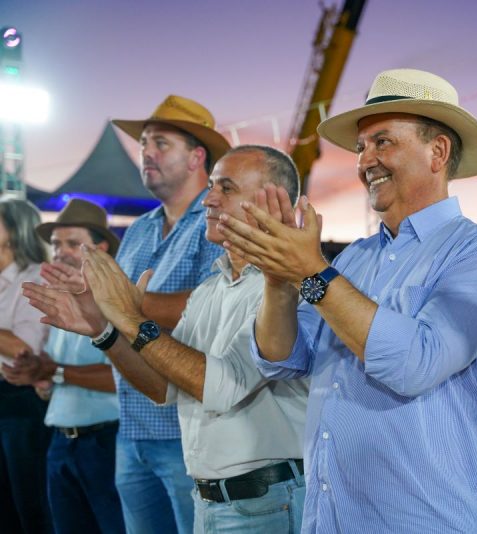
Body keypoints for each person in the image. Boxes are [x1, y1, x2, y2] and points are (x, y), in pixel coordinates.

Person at [218, 69, 477, 533]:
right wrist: (279, 284)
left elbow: (415, 363)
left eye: (383, 142)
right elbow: (281, 360)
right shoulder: (355, 260)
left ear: (437, 151)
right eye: (361, 147)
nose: (366, 161)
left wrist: (312, 273)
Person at [25, 146, 309, 533]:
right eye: (211, 187)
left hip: (267, 502)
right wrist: (105, 331)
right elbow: (163, 387)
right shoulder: (211, 289)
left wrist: (129, 316)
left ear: (273, 201)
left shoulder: (291, 289)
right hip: (213, 500)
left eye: (226, 188)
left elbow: (223, 386)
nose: (209, 199)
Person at [102, 95, 230, 533]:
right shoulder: (138, 229)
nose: (146, 153)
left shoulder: (217, 222)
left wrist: (118, 304)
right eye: (143, 145)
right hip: (133, 426)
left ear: (198, 157)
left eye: (160, 143)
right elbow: (116, 312)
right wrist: (105, 309)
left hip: (187, 433)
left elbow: (213, 303)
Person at [4, 199, 125, 533]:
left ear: (100, 248)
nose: (60, 251)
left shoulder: (116, 299)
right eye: (56, 244)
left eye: (73, 243)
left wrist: (53, 372)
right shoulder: (59, 302)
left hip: (105, 441)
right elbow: (50, 380)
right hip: (61, 439)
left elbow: (122, 378)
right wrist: (36, 377)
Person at [0, 198, 52, 533]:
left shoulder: (35, 278)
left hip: (20, 400)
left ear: (15, 231)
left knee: (27, 502)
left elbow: (24, 349)